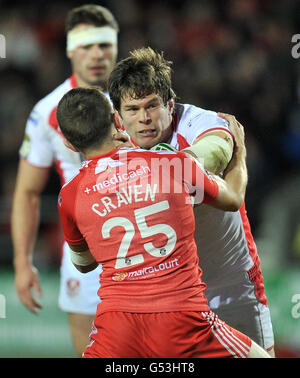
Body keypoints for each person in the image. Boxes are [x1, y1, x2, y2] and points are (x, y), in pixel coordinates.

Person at [56, 87, 270, 358]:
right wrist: (239, 155)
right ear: (117, 120)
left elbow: (84, 263)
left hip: (117, 330)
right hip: (183, 319)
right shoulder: (172, 164)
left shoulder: (70, 195)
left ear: (68, 142)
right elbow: (233, 198)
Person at [108, 47, 275, 356]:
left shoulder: (198, 121)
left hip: (232, 288)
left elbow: (218, 147)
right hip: (167, 298)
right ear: (118, 115)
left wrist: (176, 164)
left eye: (152, 105)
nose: (144, 118)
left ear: (171, 105)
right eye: (132, 109)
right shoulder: (111, 146)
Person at [11, 4, 119, 356]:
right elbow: (27, 192)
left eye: (104, 44)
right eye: (86, 45)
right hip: (84, 252)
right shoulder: (48, 111)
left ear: (116, 46)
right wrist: (22, 262)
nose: (96, 55)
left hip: (145, 247)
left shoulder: (137, 100)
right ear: (70, 49)